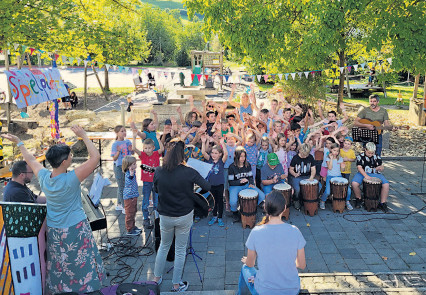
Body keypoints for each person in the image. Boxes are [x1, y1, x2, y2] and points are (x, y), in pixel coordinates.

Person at [2, 126, 104, 293]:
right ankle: (84, 288)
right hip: (75, 228)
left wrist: (19, 142)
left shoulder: (43, 177)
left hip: (55, 230)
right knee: (81, 262)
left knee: (61, 264)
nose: (71, 157)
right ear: (64, 162)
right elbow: (95, 157)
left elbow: (30, 159)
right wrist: (84, 136)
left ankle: (64, 289)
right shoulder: (72, 178)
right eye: (70, 155)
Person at [152, 138, 211, 292]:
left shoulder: (159, 171)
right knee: (179, 249)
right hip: (184, 215)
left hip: (165, 215)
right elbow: (207, 186)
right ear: (182, 154)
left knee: (164, 246)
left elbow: (157, 190)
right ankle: (176, 284)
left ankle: (156, 279)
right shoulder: (189, 171)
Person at [237, 190, 306, 295]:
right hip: (292, 290)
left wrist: (247, 260)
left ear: (265, 208)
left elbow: (250, 264)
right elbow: (302, 265)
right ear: (284, 208)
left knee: (245, 267)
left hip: (264, 291)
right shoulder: (295, 230)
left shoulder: (256, 232)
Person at [132, 135, 164, 229]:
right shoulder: (143, 155)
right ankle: (146, 219)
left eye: (149, 148)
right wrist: (134, 137)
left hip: (156, 181)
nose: (147, 150)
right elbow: (134, 148)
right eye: (145, 148)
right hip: (146, 182)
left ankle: (157, 218)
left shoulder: (156, 154)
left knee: (156, 201)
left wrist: (158, 139)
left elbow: (162, 148)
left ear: (153, 148)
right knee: (145, 200)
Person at [228, 147, 265, 223]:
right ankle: (235, 212)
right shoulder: (231, 167)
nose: (243, 158)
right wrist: (240, 181)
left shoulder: (248, 165)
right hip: (235, 186)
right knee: (233, 202)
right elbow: (231, 182)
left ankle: (250, 207)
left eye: (244, 156)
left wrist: (251, 183)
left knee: (262, 196)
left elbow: (250, 177)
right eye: (241, 156)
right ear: (236, 156)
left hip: (246, 185)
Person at [351, 142, 390, 213]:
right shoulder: (360, 156)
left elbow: (381, 166)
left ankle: (383, 203)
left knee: (386, 184)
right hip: (362, 173)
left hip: (375, 173)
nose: (370, 155)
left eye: (372, 153)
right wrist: (366, 176)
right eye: (369, 153)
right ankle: (358, 199)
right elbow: (359, 167)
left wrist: (381, 168)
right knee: (354, 183)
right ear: (365, 150)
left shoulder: (376, 156)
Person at [201, 136, 228, 227]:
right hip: (211, 184)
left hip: (220, 184)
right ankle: (214, 216)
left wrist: (223, 144)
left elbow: (226, 154)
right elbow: (203, 152)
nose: (213, 155)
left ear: (220, 154)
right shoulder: (209, 160)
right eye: (212, 153)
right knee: (213, 201)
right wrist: (203, 142)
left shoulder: (221, 161)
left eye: (216, 153)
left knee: (220, 200)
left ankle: (220, 217)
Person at [319, 143, 353, 211]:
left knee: (348, 190)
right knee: (328, 191)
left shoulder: (339, 158)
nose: (336, 152)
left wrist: (343, 167)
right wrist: (331, 159)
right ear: (331, 150)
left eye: (337, 151)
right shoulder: (328, 158)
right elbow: (330, 167)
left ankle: (347, 201)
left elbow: (342, 169)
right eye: (334, 150)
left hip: (338, 176)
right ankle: (322, 201)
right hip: (330, 176)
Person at [111, 125, 133, 213]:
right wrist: (119, 151)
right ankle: (124, 207)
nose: (124, 132)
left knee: (124, 185)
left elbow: (132, 153)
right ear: (117, 133)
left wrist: (131, 150)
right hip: (119, 167)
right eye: (122, 131)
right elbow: (114, 158)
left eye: (125, 131)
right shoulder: (115, 144)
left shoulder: (127, 141)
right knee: (121, 186)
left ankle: (119, 204)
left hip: (127, 166)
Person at [289, 143, 317, 210]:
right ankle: (296, 200)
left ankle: (308, 201)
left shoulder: (310, 157)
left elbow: (313, 169)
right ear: (300, 151)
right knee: (297, 189)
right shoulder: (295, 158)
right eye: (304, 154)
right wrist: (294, 174)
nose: (305, 156)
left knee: (317, 187)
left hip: (307, 176)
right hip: (297, 177)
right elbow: (291, 169)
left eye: (306, 155)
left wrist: (311, 177)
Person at [122, 156, 142, 236]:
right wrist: (131, 174)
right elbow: (128, 182)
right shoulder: (128, 174)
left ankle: (133, 226)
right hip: (129, 197)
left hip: (133, 196)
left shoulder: (133, 172)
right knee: (129, 213)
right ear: (129, 166)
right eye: (134, 164)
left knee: (133, 212)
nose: (136, 165)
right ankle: (129, 230)